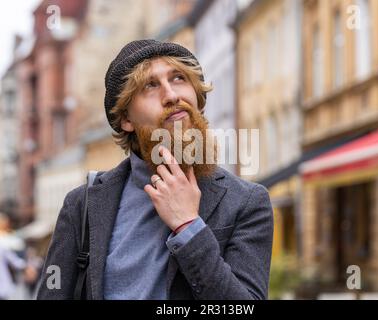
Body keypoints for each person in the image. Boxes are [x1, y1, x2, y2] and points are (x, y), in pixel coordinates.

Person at [37, 39, 274, 300]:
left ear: (198, 99)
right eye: (150, 85)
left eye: (179, 78)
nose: (171, 95)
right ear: (126, 119)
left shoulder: (247, 202)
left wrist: (188, 227)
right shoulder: (83, 206)